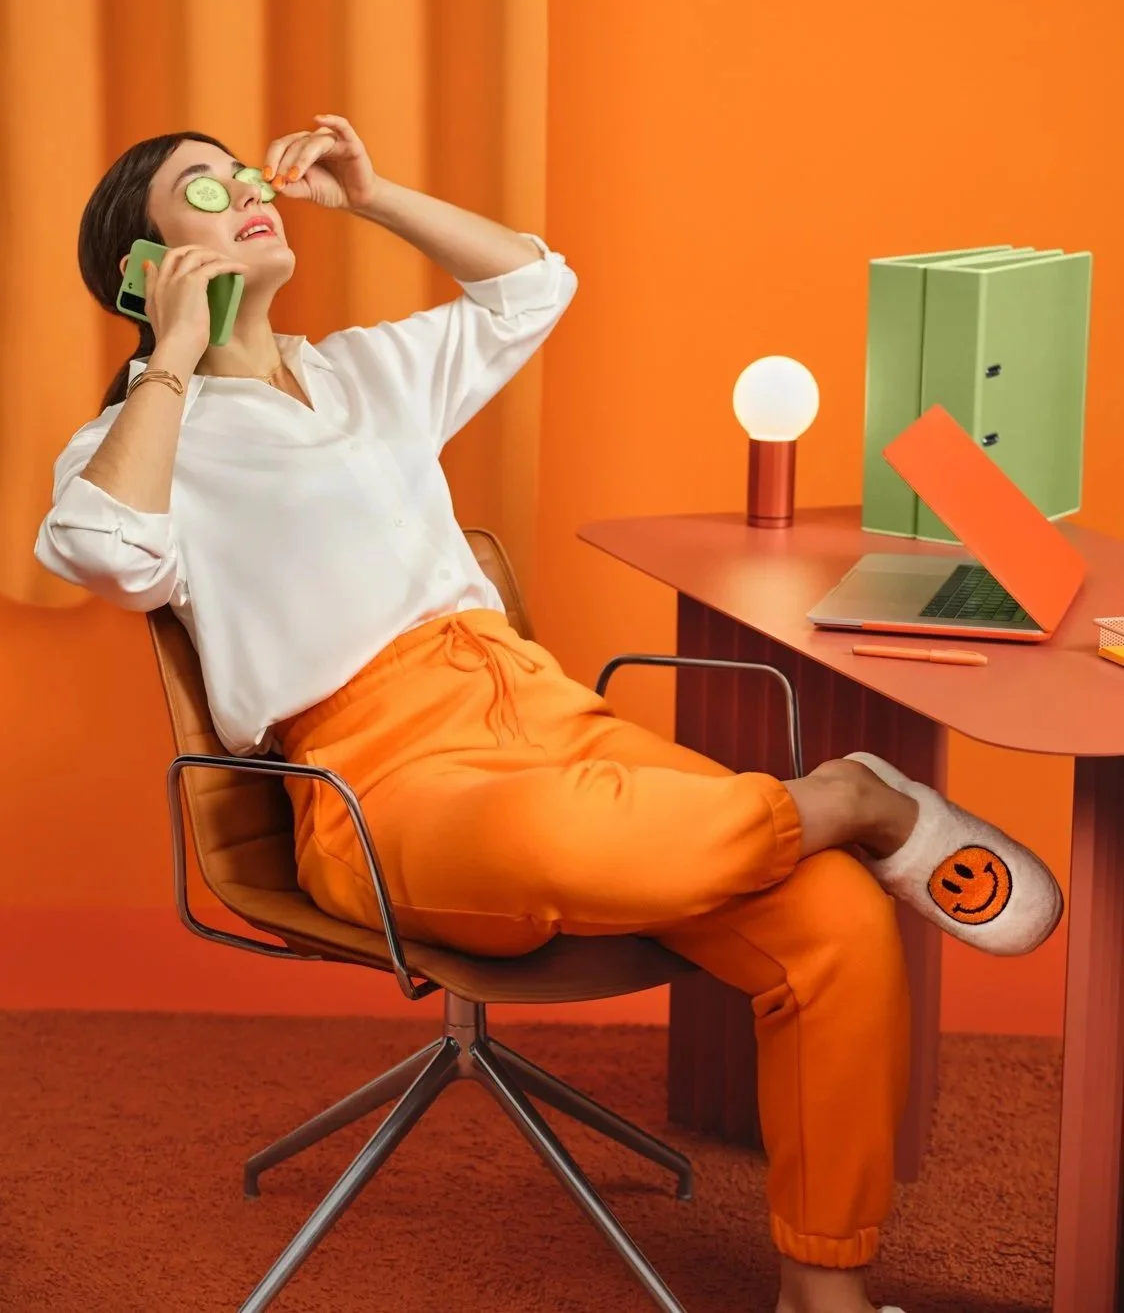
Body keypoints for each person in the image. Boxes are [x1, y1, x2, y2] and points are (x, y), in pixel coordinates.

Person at [36, 116, 1063, 1313]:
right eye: (201, 188)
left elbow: (532, 285)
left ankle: (820, 1290)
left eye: (241, 170)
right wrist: (168, 354)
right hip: (379, 776)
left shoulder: (366, 371)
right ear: (143, 265)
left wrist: (373, 194)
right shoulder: (139, 439)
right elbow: (100, 550)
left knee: (834, 912)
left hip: (541, 704)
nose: (245, 188)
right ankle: (849, 797)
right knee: (558, 840)